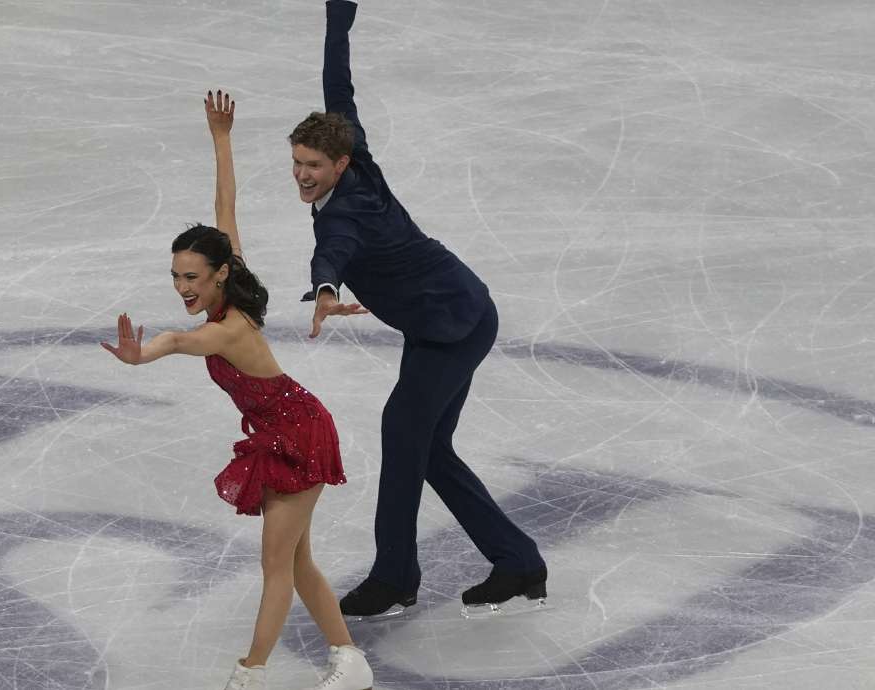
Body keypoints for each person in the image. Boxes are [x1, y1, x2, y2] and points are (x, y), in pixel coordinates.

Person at [101, 91, 374, 690]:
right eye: (175, 276)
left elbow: (176, 341)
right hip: (282, 429)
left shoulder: (227, 329)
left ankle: (250, 675)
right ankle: (349, 661)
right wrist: (222, 140)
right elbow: (226, 206)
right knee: (298, 564)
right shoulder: (233, 275)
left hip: (298, 431)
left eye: (191, 277)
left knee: (277, 567)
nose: (182, 287)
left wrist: (139, 355)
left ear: (219, 274)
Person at [292, 0, 548, 621]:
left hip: (452, 326)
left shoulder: (346, 212)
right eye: (297, 162)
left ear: (340, 165)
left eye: (313, 167)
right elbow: (338, 88)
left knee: (403, 432)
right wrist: (338, 18)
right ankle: (516, 562)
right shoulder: (356, 154)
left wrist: (325, 290)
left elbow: (333, 251)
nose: (302, 175)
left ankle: (395, 577)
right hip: (449, 311)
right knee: (426, 447)